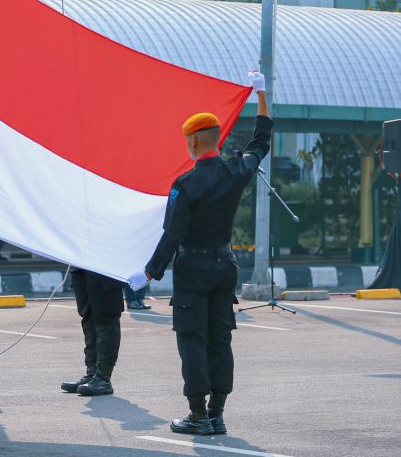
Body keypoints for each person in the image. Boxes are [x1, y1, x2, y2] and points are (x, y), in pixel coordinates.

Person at [135, 71, 272, 436]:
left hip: (193, 268)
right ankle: (218, 412)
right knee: (220, 339)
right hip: (225, 266)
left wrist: (149, 273)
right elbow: (261, 141)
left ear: (193, 143)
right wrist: (260, 95)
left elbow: (172, 234)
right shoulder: (236, 170)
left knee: (192, 339)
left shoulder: (186, 183)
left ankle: (197, 414)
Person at [60, 267, 124, 397]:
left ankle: (103, 378)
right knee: (88, 319)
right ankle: (92, 373)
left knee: (106, 320)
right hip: (82, 267)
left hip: (104, 268)